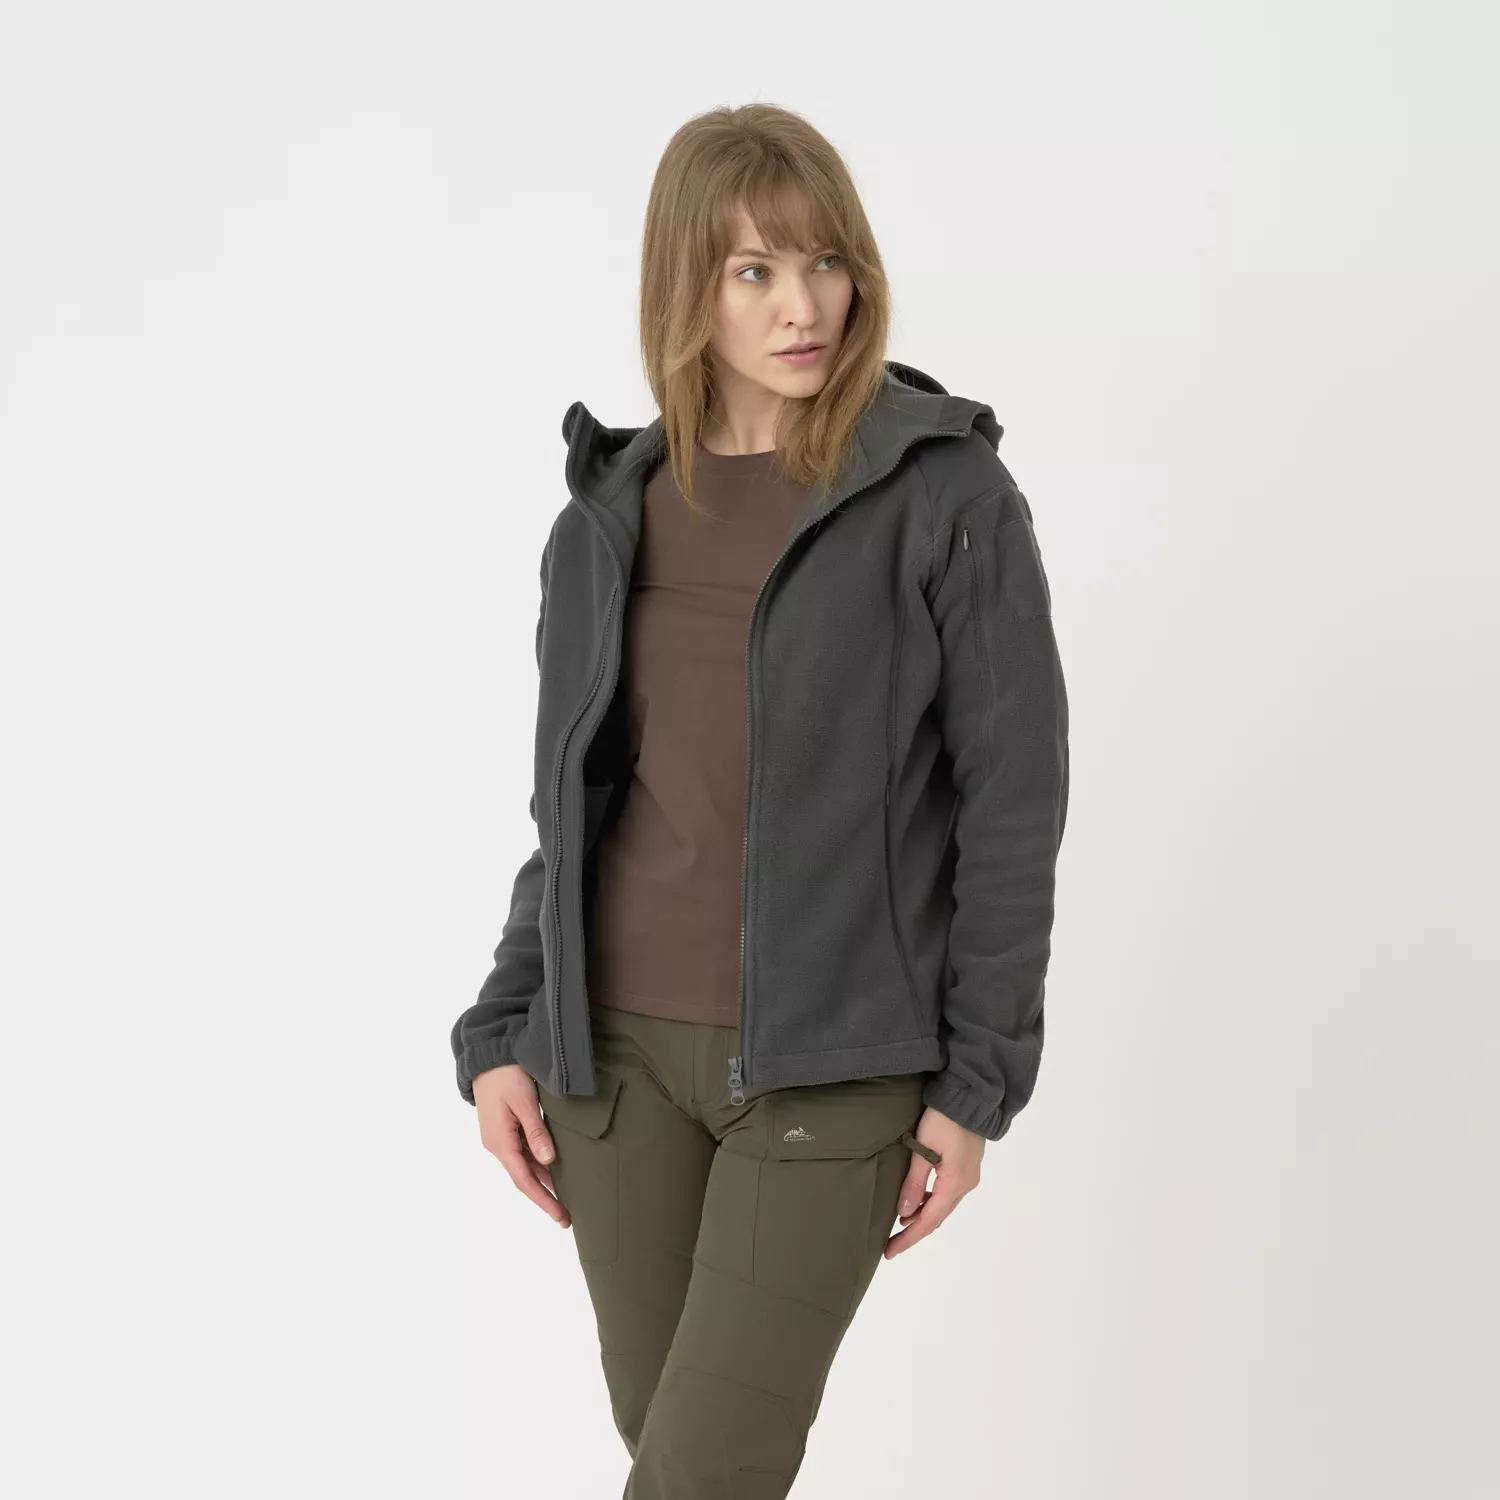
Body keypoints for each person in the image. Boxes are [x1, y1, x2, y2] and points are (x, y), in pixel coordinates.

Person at [449, 101, 1070, 1498]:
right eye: (756, 270)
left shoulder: (942, 492)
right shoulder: (608, 514)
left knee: (701, 1479)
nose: (806, 305)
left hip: (831, 1071)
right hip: (613, 1072)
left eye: (827, 261)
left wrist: (978, 1081)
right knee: (677, 1458)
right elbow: (575, 809)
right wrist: (502, 1028)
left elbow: (1012, 805)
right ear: (688, 285)